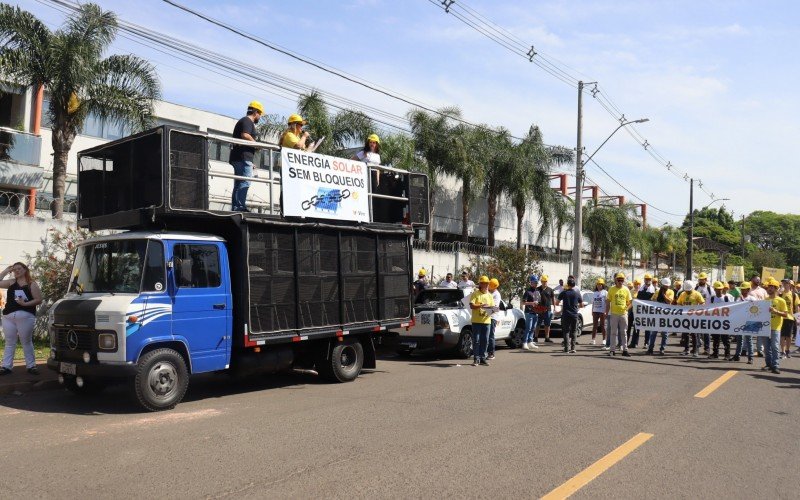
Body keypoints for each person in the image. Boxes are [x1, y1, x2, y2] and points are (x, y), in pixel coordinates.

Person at [0, 263, 43, 375]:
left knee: (26, 341)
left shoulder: (31, 284)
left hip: (26, 316)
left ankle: (31, 366)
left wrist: (25, 304)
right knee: (9, 342)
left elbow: (39, 299)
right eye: (15, 269)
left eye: (19, 269)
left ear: (25, 270)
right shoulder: (11, 282)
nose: (17, 271)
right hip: (8, 316)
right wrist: (5, 271)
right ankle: (6, 367)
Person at [229, 100, 264, 212]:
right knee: (245, 181)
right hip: (242, 158)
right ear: (256, 112)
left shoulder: (244, 121)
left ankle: (237, 207)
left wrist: (250, 161)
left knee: (240, 182)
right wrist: (256, 144)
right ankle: (239, 207)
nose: (260, 117)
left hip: (241, 157)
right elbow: (245, 135)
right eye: (260, 114)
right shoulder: (248, 121)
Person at [469, 276, 495, 366]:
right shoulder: (475, 294)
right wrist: (480, 305)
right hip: (476, 321)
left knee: (485, 340)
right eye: (484, 283)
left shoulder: (490, 296)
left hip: (486, 321)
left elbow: (493, 309)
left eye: (487, 283)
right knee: (476, 340)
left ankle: (483, 358)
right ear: (480, 284)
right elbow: (471, 306)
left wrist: (491, 310)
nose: (486, 285)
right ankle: (476, 358)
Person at [764, 278, 788, 374]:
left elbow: (785, 314)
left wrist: (775, 311)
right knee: (766, 348)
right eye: (768, 287)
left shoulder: (781, 301)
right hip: (765, 327)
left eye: (771, 287)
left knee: (774, 347)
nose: (769, 289)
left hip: (776, 327)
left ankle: (775, 366)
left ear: (776, 288)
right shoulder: (765, 300)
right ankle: (768, 364)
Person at [606, 272, 632, 357]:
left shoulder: (626, 289)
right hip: (614, 314)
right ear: (616, 280)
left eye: (622, 280)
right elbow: (607, 302)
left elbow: (630, 302)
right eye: (619, 280)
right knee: (613, 332)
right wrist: (606, 313)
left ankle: (625, 350)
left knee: (623, 332)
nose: (620, 281)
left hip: (623, 314)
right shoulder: (611, 289)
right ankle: (612, 350)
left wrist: (627, 309)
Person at [677, 280, 705, 357]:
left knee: (694, 334)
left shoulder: (697, 294)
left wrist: (697, 309)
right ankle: (686, 349)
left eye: (689, 291)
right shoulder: (682, 294)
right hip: (685, 317)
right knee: (685, 334)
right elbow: (678, 303)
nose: (688, 292)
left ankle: (695, 350)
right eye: (687, 290)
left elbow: (703, 303)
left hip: (694, 317)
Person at [646, 278, 674, 355]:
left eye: (668, 286)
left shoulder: (671, 292)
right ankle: (650, 348)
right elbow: (652, 301)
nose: (667, 287)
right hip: (657, 315)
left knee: (664, 334)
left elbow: (669, 301)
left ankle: (662, 349)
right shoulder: (657, 291)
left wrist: (663, 295)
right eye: (665, 286)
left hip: (666, 316)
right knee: (653, 333)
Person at [556, 276, 584, 353]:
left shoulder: (564, 293)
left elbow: (557, 303)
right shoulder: (577, 294)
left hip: (565, 314)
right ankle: (573, 348)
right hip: (574, 314)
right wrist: (575, 306)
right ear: (574, 285)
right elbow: (581, 305)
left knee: (566, 331)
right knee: (574, 331)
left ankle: (566, 348)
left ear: (567, 285)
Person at [708, 281, 733, 360]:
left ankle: (727, 354)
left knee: (725, 339)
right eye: (717, 289)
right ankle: (715, 353)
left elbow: (732, 308)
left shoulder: (726, 298)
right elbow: (707, 309)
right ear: (714, 289)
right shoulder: (711, 299)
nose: (719, 290)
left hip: (725, 322)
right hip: (715, 322)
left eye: (721, 289)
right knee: (715, 338)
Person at [629, 274, 655, 348]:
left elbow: (651, 300)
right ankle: (634, 343)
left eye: (649, 279)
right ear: (644, 280)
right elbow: (638, 299)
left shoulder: (653, 289)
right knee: (636, 326)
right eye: (646, 279)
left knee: (647, 328)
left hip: (648, 311)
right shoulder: (641, 288)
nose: (647, 280)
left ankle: (646, 343)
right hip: (640, 311)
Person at [733, 282, 755, 364]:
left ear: (748, 290)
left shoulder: (752, 299)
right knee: (739, 339)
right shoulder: (739, 298)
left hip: (750, 321)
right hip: (740, 320)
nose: (742, 291)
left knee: (749, 339)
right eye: (741, 289)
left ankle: (750, 357)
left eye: (744, 289)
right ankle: (737, 355)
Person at [748, 275, 769, 357]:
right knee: (748, 331)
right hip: (749, 313)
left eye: (759, 280)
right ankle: (745, 349)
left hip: (760, 313)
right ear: (752, 280)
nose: (758, 281)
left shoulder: (763, 291)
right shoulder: (748, 289)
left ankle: (760, 350)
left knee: (760, 332)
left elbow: (767, 301)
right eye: (756, 280)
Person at [520, 275, 541, 351]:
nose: (535, 284)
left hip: (536, 312)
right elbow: (523, 303)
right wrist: (532, 303)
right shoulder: (527, 292)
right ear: (530, 283)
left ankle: (530, 341)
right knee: (528, 328)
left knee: (533, 328)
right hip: (529, 312)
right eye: (534, 282)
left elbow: (539, 301)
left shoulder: (537, 292)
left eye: (536, 282)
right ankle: (524, 342)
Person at [695, 272, 713, 354]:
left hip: (707, 312)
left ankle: (707, 348)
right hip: (697, 312)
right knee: (697, 331)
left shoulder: (710, 289)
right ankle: (696, 347)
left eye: (702, 279)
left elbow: (713, 299)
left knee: (706, 332)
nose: (701, 280)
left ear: (706, 280)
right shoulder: (696, 288)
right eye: (700, 279)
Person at [779, 279, 798, 358]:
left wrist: (797, 318)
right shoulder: (780, 294)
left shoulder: (794, 295)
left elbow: (796, 307)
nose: (784, 284)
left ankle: (787, 350)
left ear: (790, 284)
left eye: (786, 283)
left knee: (789, 336)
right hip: (781, 316)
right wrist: (779, 290)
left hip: (790, 317)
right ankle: (782, 351)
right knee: (782, 335)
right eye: (783, 283)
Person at [487, 278, 503, 360]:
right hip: (485, 317)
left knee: (490, 335)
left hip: (493, 317)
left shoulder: (497, 294)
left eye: (490, 285)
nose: (488, 286)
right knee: (485, 335)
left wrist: (484, 310)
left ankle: (491, 353)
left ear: (494, 286)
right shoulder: (488, 292)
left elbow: (496, 308)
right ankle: (484, 352)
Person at [536, 275, 555, 343]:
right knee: (538, 324)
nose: (545, 283)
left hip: (548, 310)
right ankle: (535, 337)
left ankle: (547, 337)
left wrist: (554, 307)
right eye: (543, 281)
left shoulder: (550, 290)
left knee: (547, 324)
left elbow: (553, 299)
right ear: (541, 282)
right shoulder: (537, 289)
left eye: (546, 281)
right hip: (539, 310)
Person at [590, 278, 607, 346]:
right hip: (595, 311)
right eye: (598, 284)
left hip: (602, 311)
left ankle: (604, 340)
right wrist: (592, 310)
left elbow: (607, 302)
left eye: (600, 284)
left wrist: (606, 311)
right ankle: (593, 339)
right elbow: (593, 303)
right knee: (595, 326)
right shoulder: (594, 293)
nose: (599, 286)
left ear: (602, 285)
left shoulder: (605, 292)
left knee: (602, 326)